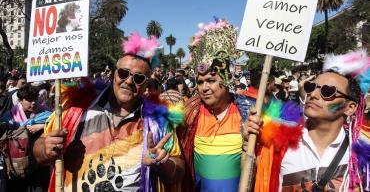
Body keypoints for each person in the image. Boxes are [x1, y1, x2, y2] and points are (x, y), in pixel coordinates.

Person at [33, 32, 185, 191]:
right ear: (114, 74)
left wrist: (162, 163)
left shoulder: (158, 122)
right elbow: (39, 150)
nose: (128, 81)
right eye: (123, 73)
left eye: (138, 78)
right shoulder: (76, 108)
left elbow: (179, 169)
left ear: (147, 84)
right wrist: (45, 149)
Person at [246, 50, 370, 191]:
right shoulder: (278, 142)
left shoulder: (360, 155)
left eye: (328, 92)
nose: (313, 95)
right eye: (312, 87)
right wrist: (249, 142)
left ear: (350, 108)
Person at [178, 19, 256, 191]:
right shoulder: (190, 113)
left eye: (211, 80)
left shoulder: (249, 111)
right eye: (200, 82)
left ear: (226, 80)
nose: (204, 87)